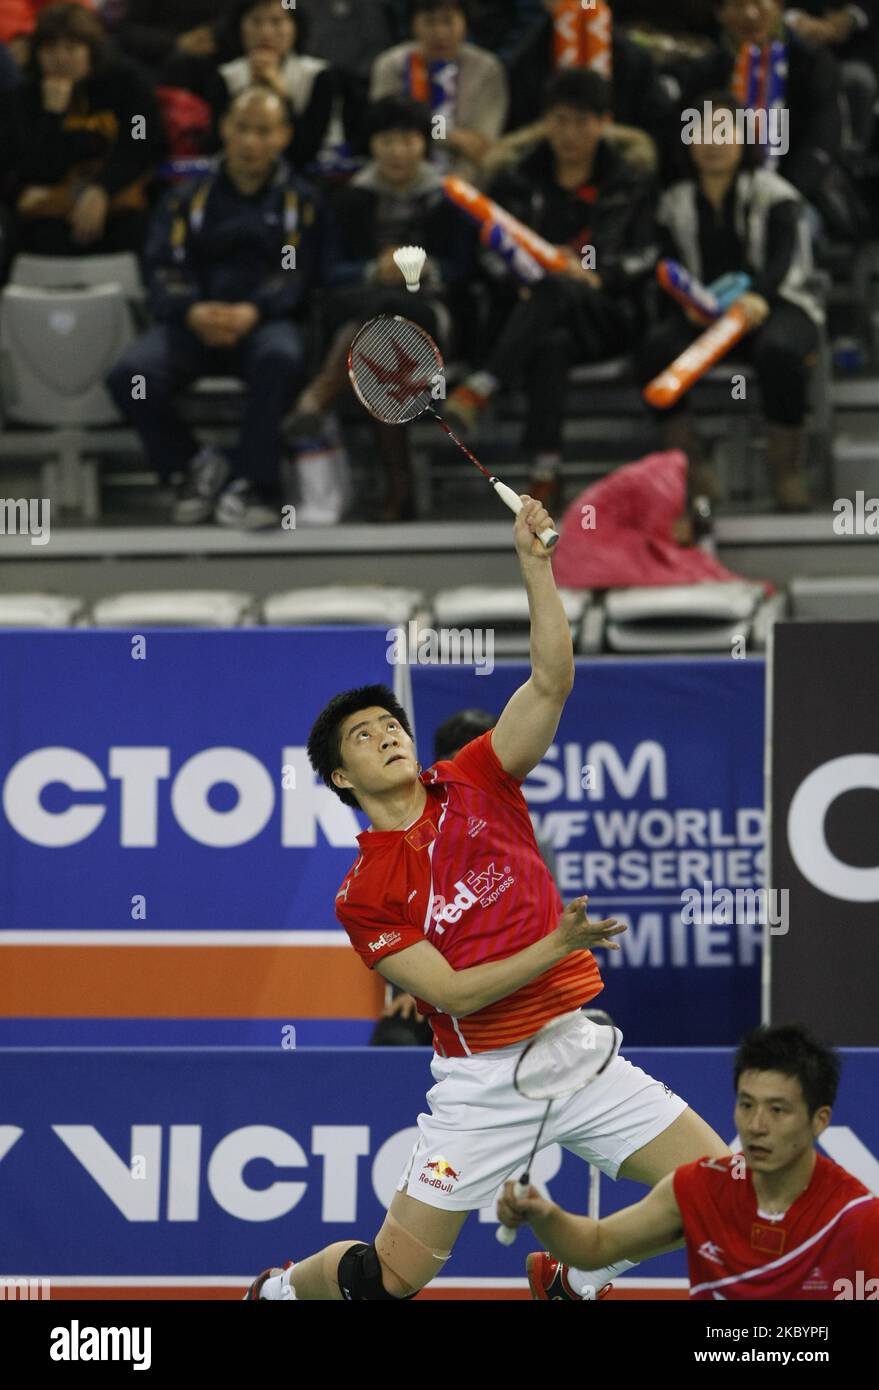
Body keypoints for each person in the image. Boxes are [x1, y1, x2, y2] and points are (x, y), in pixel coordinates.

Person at [244, 494, 731, 1302]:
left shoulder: (475, 778)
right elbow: (454, 994)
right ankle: (279, 1293)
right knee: (388, 1280)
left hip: (575, 1054)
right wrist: (557, 943)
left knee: (718, 1189)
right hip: (483, 1087)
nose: (387, 734)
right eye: (362, 735)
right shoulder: (364, 893)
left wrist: (536, 565)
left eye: (390, 723)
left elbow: (550, 681)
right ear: (340, 778)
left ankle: (577, 1276)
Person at [499, 1023, 879, 1300]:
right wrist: (545, 1215)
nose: (756, 1126)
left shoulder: (858, 1219)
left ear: (819, 1119)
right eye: (746, 1105)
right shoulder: (699, 1188)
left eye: (778, 1110)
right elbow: (597, 1246)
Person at [106, 86, 335, 530]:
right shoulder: (185, 198)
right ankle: (192, 465)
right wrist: (192, 310)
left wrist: (254, 309)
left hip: (265, 323)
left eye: (263, 131)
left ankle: (255, 483)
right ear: (225, 130)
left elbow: (301, 273)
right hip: (194, 324)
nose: (251, 142)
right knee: (130, 375)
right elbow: (163, 268)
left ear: (284, 136)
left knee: (281, 359)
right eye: (243, 129)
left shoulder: (301, 201)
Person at [445, 69, 657, 513]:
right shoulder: (517, 178)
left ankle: (484, 385)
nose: (570, 133)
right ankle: (546, 472)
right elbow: (488, 254)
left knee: (556, 289)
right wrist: (519, 278)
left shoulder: (628, 180)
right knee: (550, 337)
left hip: (603, 315)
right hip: (531, 313)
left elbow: (647, 254)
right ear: (546, 123)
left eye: (582, 122)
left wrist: (599, 274)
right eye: (560, 121)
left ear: (604, 123)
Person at [282, 95, 479, 524]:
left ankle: (320, 395)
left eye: (407, 140)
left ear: (423, 146)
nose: (397, 151)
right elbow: (328, 271)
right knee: (382, 335)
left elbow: (466, 269)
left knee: (385, 322)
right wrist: (376, 269)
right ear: (372, 146)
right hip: (369, 311)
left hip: (429, 311)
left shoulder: (450, 198)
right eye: (387, 141)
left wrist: (422, 267)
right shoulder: (347, 200)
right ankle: (399, 489)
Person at [636, 90, 822, 512]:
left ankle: (786, 469)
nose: (714, 142)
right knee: (653, 351)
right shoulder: (673, 201)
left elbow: (782, 259)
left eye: (725, 131)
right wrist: (686, 304)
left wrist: (758, 296)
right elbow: (665, 266)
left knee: (780, 351)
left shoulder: (776, 193)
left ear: (743, 139)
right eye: (703, 132)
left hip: (774, 305)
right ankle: (691, 465)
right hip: (703, 314)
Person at [663, 0, 850, 233]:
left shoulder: (813, 63)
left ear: (779, 6)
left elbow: (823, 137)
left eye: (759, 3)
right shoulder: (704, 73)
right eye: (738, 5)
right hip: (716, 197)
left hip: (794, 192)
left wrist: (780, 197)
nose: (750, 14)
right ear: (720, 13)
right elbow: (684, 140)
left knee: (791, 228)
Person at [7, 1, 164, 256]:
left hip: (117, 203)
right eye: (50, 49)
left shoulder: (131, 87)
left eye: (72, 48)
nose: (61, 58)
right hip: (46, 213)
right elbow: (29, 168)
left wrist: (103, 188)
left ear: (91, 50)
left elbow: (142, 141)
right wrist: (52, 116)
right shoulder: (22, 100)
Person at [370, 0, 509, 182]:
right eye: (430, 22)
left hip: (467, 178)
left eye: (448, 21)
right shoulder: (390, 66)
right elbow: (386, 133)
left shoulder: (487, 69)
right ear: (414, 24)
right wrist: (452, 136)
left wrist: (424, 131)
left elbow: (480, 145)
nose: (440, 33)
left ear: (465, 22)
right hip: (403, 173)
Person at [785, 1, 878, 152]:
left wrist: (852, 17)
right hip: (798, 50)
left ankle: (849, 155)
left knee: (858, 79)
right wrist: (796, 18)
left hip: (852, 56)